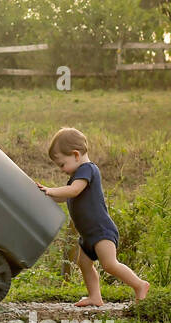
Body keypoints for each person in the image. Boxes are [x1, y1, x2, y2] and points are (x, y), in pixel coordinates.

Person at [37, 127, 148, 306]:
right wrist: (45, 194)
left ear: (75, 155)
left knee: (109, 265)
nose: (62, 170)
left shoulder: (87, 170)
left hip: (101, 230)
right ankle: (95, 296)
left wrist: (50, 190)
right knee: (84, 264)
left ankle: (139, 285)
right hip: (88, 234)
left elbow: (73, 191)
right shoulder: (76, 175)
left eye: (62, 164)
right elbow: (64, 195)